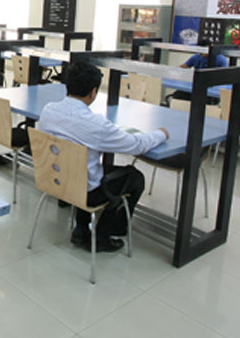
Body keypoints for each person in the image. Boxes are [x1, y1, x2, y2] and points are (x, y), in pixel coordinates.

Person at [38, 61, 168, 252]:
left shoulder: (48, 109)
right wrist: (161, 134)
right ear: (93, 92)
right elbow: (137, 145)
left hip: (53, 180)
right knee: (134, 177)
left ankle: (81, 229)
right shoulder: (96, 125)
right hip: (84, 190)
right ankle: (104, 235)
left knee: (86, 169)